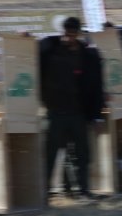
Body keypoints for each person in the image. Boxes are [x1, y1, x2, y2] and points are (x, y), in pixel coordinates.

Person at [39, 16, 106, 200]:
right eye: (66, 34)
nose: (69, 38)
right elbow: (28, 55)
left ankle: (82, 190)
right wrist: (24, 38)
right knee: (50, 154)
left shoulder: (89, 56)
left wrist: (97, 116)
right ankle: (43, 192)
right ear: (61, 32)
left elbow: (96, 87)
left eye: (73, 35)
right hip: (54, 112)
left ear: (78, 34)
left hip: (79, 113)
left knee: (81, 155)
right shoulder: (48, 48)